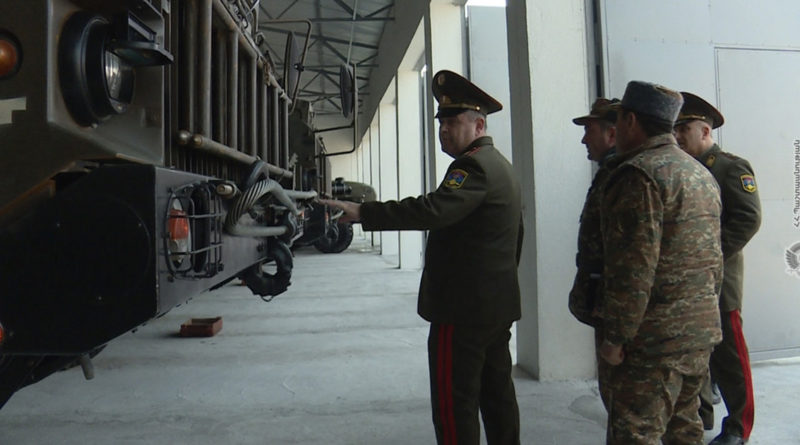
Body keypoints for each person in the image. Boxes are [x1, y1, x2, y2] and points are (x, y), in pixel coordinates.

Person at [321, 70, 523, 445]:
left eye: (453, 122)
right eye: (441, 122)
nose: (444, 130)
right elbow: (515, 239)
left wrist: (364, 212)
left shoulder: (472, 167)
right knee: (497, 396)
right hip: (494, 307)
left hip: (462, 312)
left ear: (479, 125)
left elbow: (432, 210)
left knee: (454, 403)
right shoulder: (501, 166)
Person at [598, 80, 724, 444]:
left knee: (636, 432)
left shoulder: (639, 175)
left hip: (653, 342)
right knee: (684, 429)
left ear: (630, 121)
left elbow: (633, 270)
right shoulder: (700, 174)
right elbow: (714, 262)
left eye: (618, 120)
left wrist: (616, 336)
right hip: (698, 334)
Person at [674, 92, 762, 445]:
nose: (677, 136)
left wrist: (707, 255)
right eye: (675, 129)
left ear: (705, 131)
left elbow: (748, 219)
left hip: (720, 282)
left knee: (730, 359)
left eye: (684, 129)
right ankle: (700, 416)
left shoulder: (730, 167)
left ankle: (739, 427)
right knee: (695, 354)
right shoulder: (684, 168)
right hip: (689, 283)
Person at [567, 97, 619, 410]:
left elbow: (628, 257)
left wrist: (617, 331)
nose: (584, 139)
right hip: (608, 302)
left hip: (616, 306)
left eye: (590, 130)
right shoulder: (609, 172)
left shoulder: (621, 175)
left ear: (611, 134)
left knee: (621, 399)